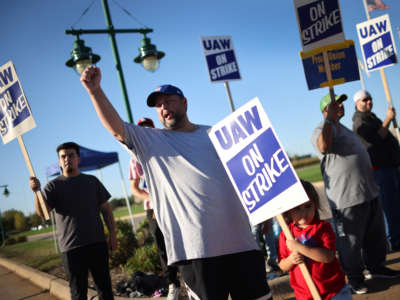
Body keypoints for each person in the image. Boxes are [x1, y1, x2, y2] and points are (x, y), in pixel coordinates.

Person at [80, 65, 272, 300]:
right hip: (196, 252)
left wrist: (270, 209)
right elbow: (116, 128)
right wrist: (95, 91)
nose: (164, 108)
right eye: (159, 105)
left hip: (242, 243)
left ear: (184, 103)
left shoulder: (218, 134)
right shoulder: (150, 141)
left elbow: (253, 172)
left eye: (169, 101)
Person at [311, 94, 400, 295]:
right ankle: (354, 278)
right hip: (346, 199)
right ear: (326, 110)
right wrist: (328, 121)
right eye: (335, 103)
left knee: (375, 237)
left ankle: (376, 268)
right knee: (350, 242)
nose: (340, 105)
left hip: (368, 192)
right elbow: (323, 146)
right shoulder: (322, 129)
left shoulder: (346, 130)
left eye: (341, 102)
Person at [29, 142, 117, 300]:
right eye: (63, 156)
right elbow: (42, 213)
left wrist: (113, 235)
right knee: (78, 294)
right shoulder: (53, 186)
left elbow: (107, 210)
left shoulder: (92, 181)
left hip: (97, 243)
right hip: (71, 249)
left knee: (105, 290)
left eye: (71, 155)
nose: (67, 159)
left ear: (78, 159)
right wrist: (36, 193)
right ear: (59, 161)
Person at [129, 117, 181, 300]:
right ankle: (173, 284)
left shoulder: (164, 149)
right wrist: (152, 197)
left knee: (181, 241)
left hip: (173, 203)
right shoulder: (134, 158)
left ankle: (191, 280)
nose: (145, 131)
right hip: (154, 208)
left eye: (148, 128)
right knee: (163, 247)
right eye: (141, 128)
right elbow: (134, 188)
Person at [278, 180, 352, 300]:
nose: (303, 213)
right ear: (288, 210)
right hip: (305, 295)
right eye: (297, 208)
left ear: (315, 205)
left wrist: (300, 247)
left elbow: (328, 256)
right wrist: (291, 260)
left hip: (333, 291)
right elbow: (282, 265)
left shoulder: (323, 228)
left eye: (308, 206)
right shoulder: (286, 235)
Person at [352, 90, 400, 251]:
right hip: (381, 170)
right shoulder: (360, 121)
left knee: (395, 205)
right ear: (357, 103)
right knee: (390, 207)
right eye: (365, 100)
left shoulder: (371, 117)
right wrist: (388, 119)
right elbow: (375, 139)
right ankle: (394, 240)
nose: (369, 102)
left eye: (370, 99)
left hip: (391, 167)